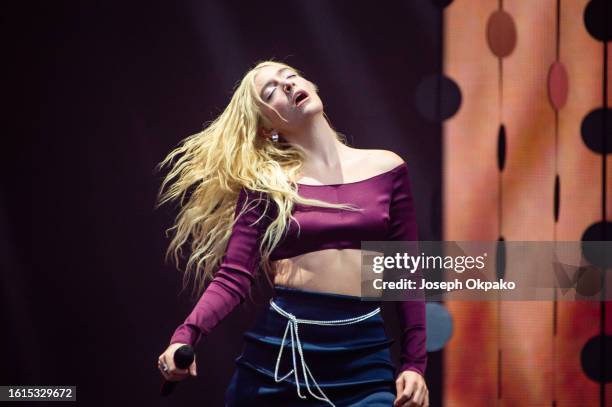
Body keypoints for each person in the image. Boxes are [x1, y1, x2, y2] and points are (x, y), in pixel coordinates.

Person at [155, 60, 429, 407]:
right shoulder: (266, 185)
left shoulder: (387, 168)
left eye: (290, 77)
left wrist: (415, 365)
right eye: (270, 91)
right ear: (268, 125)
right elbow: (233, 277)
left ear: (311, 85)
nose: (286, 86)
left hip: (363, 357)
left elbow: (408, 274)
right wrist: (185, 335)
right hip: (281, 358)